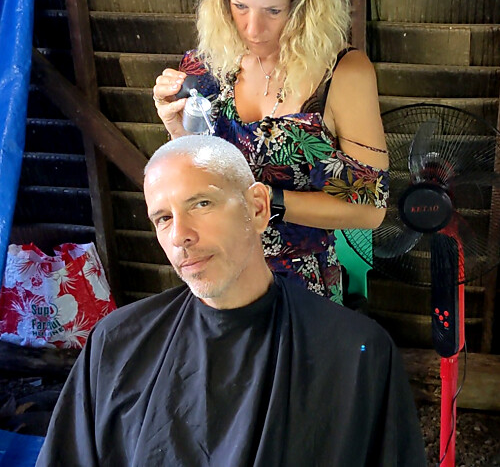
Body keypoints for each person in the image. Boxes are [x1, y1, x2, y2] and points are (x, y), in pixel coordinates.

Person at [37, 136, 425, 467]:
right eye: (163, 218)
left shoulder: (356, 352)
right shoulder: (117, 344)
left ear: (257, 208)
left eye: (201, 204)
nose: (180, 236)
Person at [153, 0, 389, 304]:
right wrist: (177, 132)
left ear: (305, 5)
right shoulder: (205, 68)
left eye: (273, 11)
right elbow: (198, 188)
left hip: (302, 289)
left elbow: (370, 209)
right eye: (240, 6)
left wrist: (271, 202)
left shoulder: (342, 75)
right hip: (219, 279)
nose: (253, 28)